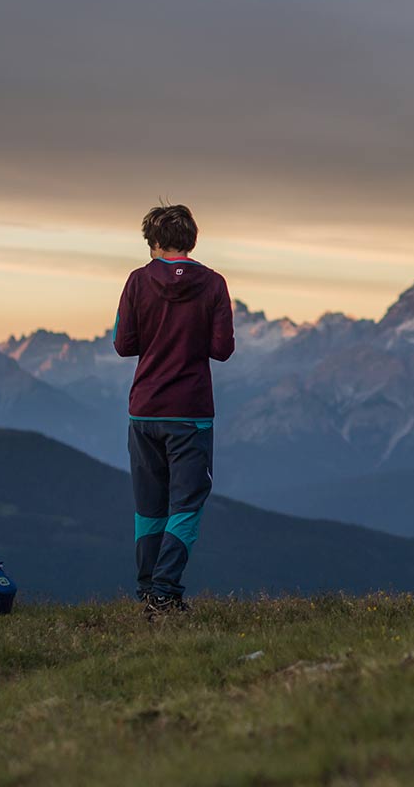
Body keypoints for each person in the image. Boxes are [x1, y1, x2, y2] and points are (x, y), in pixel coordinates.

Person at [113, 204, 235, 616]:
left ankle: (149, 589)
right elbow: (222, 350)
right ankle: (165, 591)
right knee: (187, 503)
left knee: (149, 504)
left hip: (144, 409)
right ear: (192, 240)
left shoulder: (136, 282)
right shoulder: (214, 284)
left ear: (153, 243)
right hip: (190, 411)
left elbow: (123, 345)